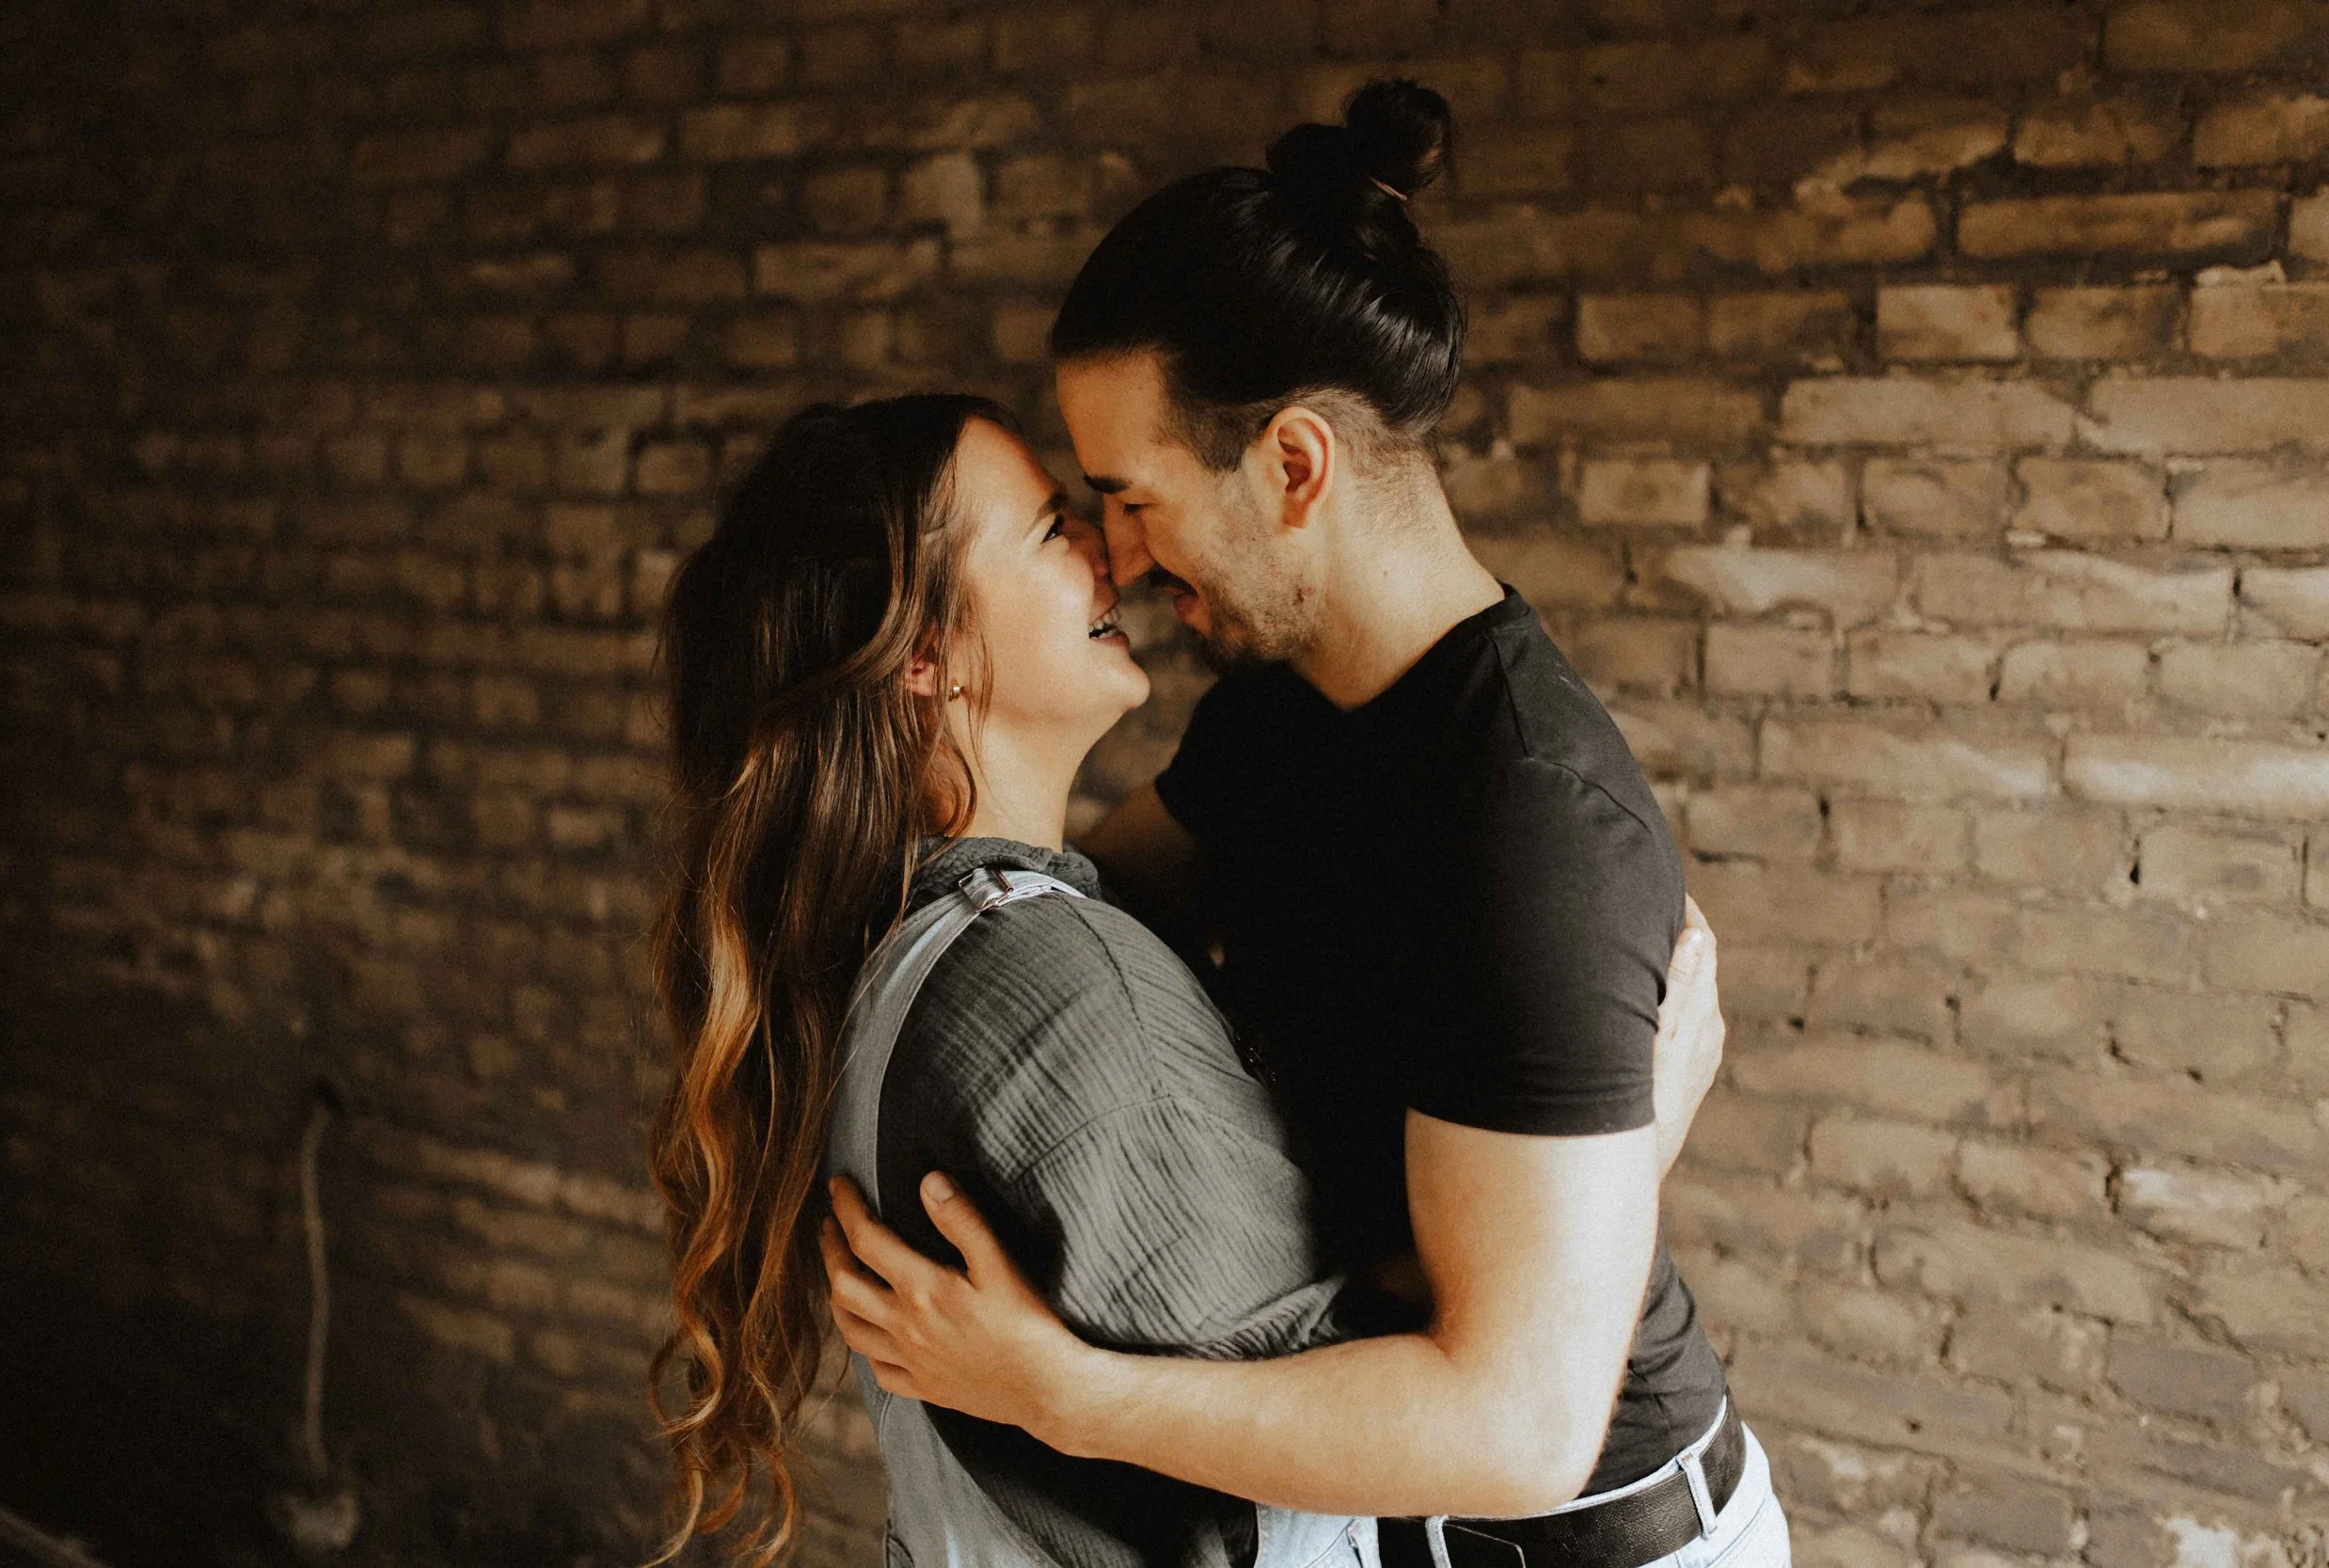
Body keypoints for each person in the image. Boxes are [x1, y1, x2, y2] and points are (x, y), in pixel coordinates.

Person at [820, 82, 1792, 1568]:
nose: (1123, 561)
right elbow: (1074, 938)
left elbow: (1515, 1427)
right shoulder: (1276, 718)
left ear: (1290, 466)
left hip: (1596, 1538)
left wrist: (1061, 1392)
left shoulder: (1532, 821)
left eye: (1130, 499)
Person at [642, 390, 1727, 1567]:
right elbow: (1379, 1402)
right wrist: (1626, 1147)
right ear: (925, 657)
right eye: (1057, 529)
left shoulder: (902, 933)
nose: (1111, 556)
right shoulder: (1070, 984)